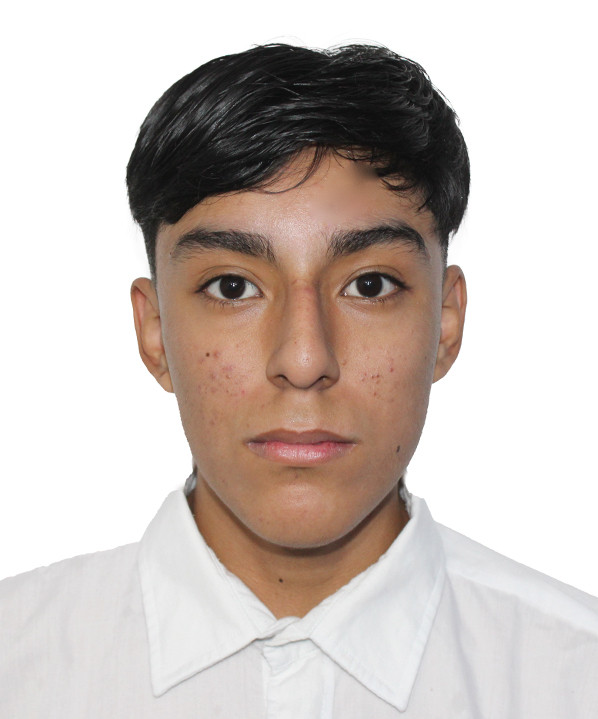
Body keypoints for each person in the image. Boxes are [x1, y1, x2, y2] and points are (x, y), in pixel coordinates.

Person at [1, 43, 597, 718]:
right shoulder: (17, 670)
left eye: (370, 285)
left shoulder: (576, 680)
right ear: (155, 331)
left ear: (446, 322)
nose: (306, 358)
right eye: (233, 287)